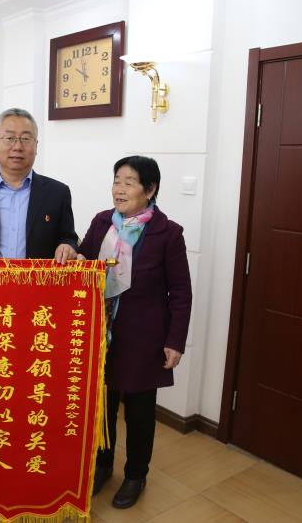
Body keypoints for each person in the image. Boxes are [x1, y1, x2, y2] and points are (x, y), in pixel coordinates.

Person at [79, 155, 192, 509]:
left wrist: (175, 341)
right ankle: (102, 465)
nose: (119, 189)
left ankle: (135, 475)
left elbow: (181, 292)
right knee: (102, 406)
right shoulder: (102, 222)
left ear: (150, 189)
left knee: (140, 412)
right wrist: (75, 258)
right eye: (116, 181)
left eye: (129, 182)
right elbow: (83, 262)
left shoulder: (168, 233)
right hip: (100, 332)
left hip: (144, 336)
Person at [0, 107, 78, 262]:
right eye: (9, 138)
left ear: (36, 146)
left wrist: (67, 246)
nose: (17, 147)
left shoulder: (58, 193)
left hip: (37, 278)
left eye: (26, 139)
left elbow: (69, 238)